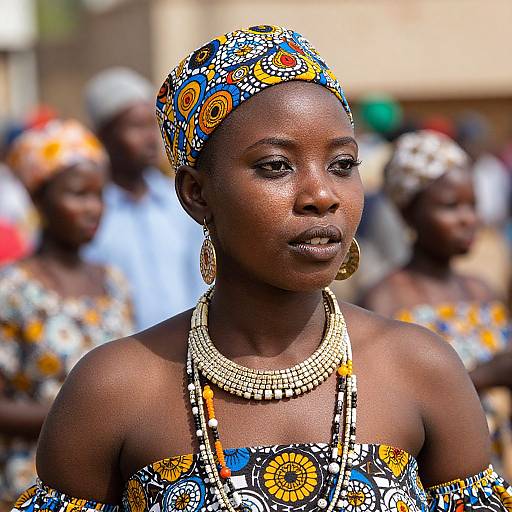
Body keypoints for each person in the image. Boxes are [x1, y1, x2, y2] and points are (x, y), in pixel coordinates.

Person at [11, 26, 512, 512]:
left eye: (342, 164)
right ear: (196, 193)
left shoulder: (424, 370)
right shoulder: (112, 389)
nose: (321, 195)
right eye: (276, 165)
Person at [361, 130, 512, 475]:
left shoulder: (482, 292)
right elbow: (390, 400)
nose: (467, 219)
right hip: (434, 472)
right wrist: (487, 375)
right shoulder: (387, 299)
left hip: (495, 464)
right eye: (450, 206)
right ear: (409, 213)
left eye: (472, 205)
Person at [0, 120, 133, 507]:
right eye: (78, 195)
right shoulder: (13, 288)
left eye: (99, 195)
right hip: (33, 483)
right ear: (39, 200)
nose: (93, 208)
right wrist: (82, 420)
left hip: (112, 480)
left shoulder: (114, 282)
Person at [83, 67, 205, 332]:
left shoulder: (182, 202)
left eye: (153, 125)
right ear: (103, 136)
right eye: (135, 127)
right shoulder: (90, 214)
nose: (151, 138)